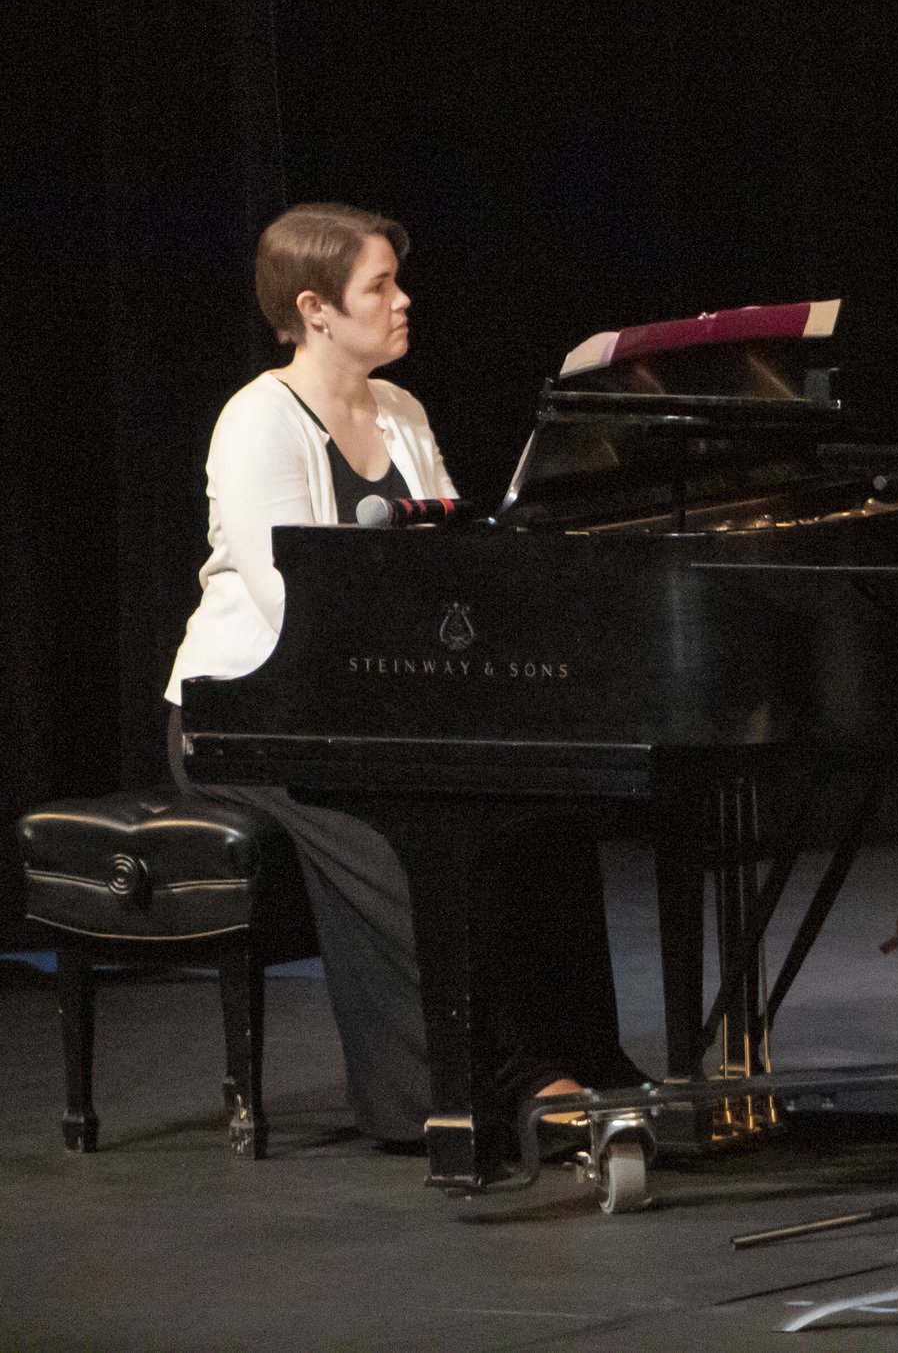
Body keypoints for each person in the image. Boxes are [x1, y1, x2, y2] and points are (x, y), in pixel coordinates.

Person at [167, 203, 639, 1147]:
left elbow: (446, 564)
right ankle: (494, 1088)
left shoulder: (402, 412)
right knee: (406, 852)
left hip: (372, 706)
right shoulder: (259, 421)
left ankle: (593, 1061)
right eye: (379, 285)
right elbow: (290, 603)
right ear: (316, 310)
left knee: (542, 818)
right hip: (251, 716)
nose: (402, 300)